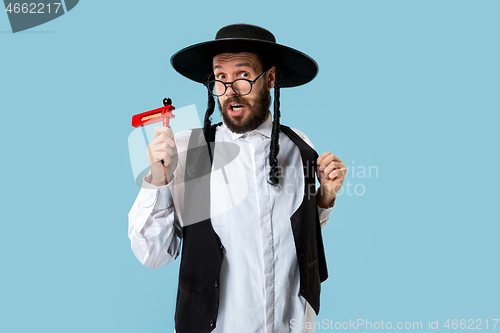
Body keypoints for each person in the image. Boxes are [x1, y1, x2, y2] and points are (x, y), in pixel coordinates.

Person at [128, 23, 347, 333]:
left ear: (270, 78)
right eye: (221, 77)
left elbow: (298, 232)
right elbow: (153, 254)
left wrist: (324, 197)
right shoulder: (187, 151)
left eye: (243, 76)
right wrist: (159, 178)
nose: (230, 90)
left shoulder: (299, 146)